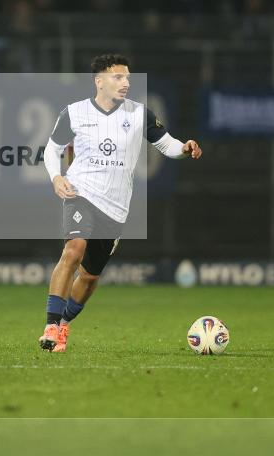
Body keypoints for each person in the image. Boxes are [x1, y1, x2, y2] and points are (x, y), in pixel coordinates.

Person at [39, 54, 202, 352]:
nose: (125, 83)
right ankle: (51, 325)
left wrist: (185, 148)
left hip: (115, 207)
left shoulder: (139, 114)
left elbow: (166, 144)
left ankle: (63, 325)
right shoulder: (75, 113)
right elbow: (52, 150)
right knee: (73, 250)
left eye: (127, 77)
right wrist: (56, 177)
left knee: (88, 277)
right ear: (99, 81)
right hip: (81, 193)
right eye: (118, 77)